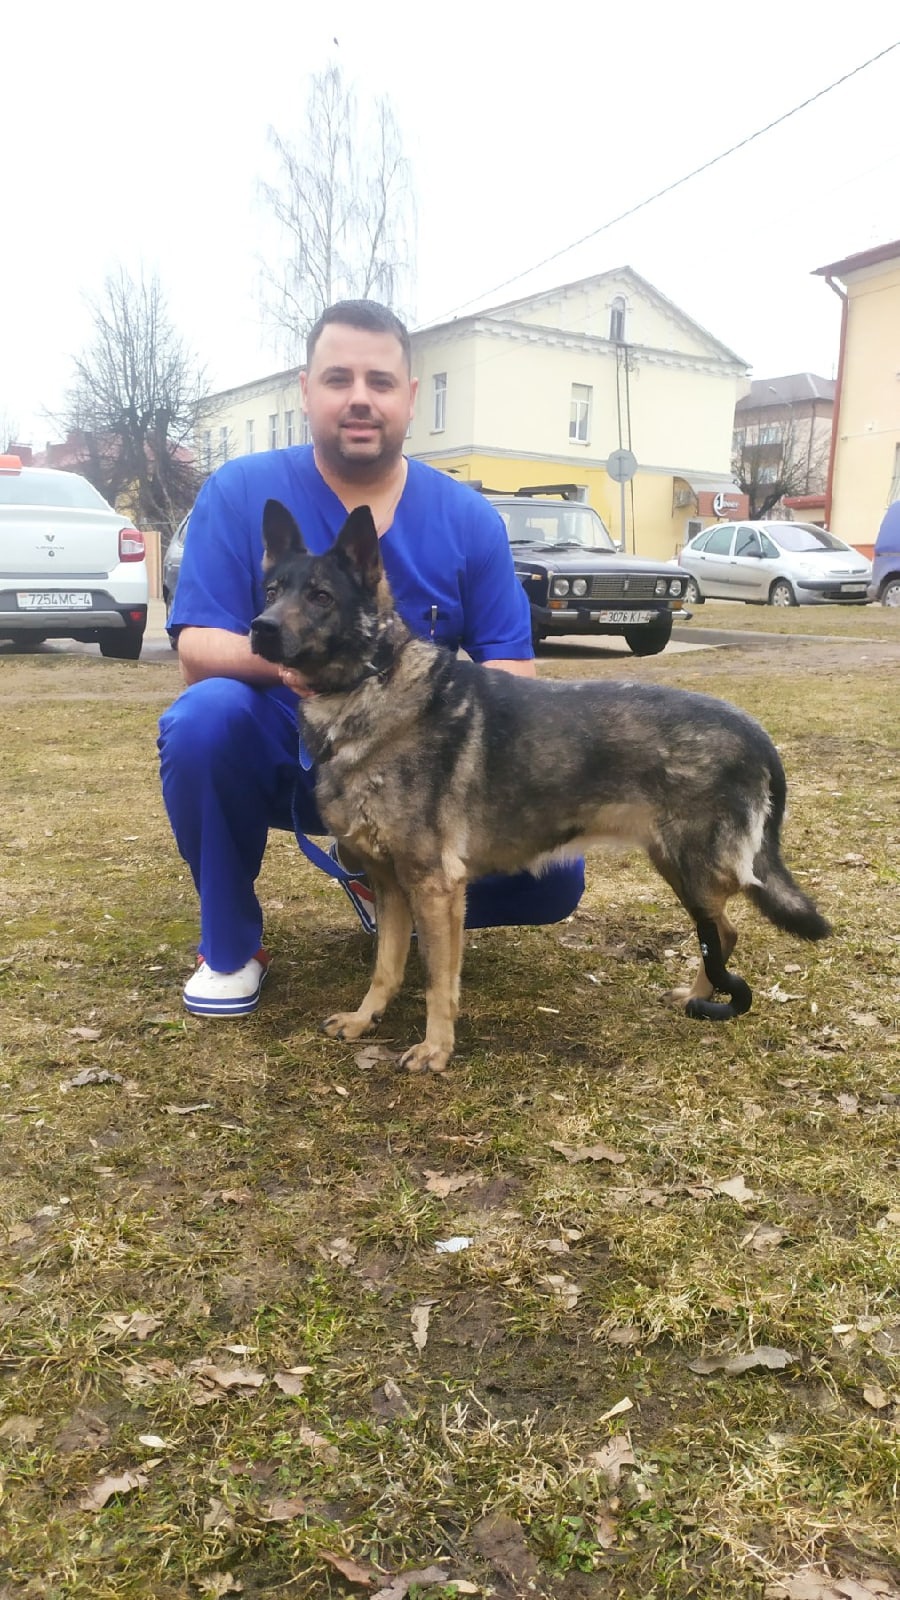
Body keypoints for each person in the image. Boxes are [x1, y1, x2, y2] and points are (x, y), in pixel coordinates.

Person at [159, 299, 585, 1016]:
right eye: (338, 378)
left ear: (410, 397)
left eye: (380, 381)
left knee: (555, 877)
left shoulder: (468, 518)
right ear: (306, 390)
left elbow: (512, 676)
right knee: (204, 719)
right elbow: (197, 646)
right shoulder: (240, 492)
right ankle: (229, 947)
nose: (360, 398)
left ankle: (385, 879)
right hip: (283, 750)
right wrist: (296, 669)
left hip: (414, 773)